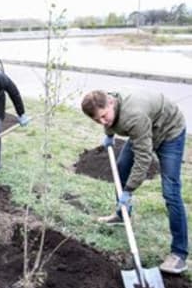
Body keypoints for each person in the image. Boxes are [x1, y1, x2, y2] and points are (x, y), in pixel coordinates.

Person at [81, 89, 188, 274]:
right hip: (146, 130)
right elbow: (108, 120)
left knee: (171, 191)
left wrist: (129, 190)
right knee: (121, 169)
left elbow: (143, 158)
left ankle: (179, 254)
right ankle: (122, 215)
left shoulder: (133, 117)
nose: (103, 122)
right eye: (98, 120)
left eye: (104, 116)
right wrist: (109, 133)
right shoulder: (110, 108)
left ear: (111, 103)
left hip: (169, 132)